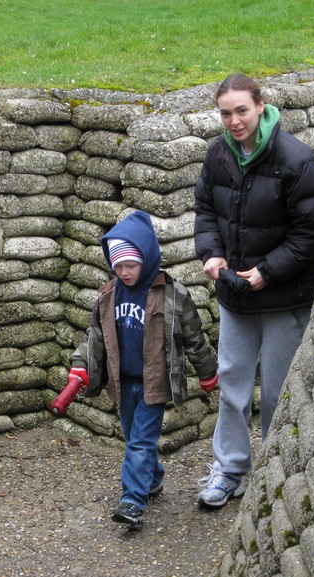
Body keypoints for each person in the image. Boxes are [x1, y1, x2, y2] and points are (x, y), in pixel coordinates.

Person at [193, 74, 314, 508]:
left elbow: (310, 234)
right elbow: (204, 210)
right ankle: (230, 469)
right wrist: (211, 254)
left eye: (241, 111)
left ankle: (274, 473)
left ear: (261, 106)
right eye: (225, 113)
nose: (233, 121)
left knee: (277, 391)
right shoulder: (218, 155)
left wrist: (266, 272)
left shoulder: (297, 161)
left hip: (283, 299)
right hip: (235, 296)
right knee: (232, 385)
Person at [65, 210, 219, 525]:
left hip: (155, 382)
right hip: (122, 382)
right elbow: (95, 335)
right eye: (118, 265)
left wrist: (207, 372)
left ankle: (133, 501)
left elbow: (193, 337)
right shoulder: (109, 294)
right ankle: (153, 479)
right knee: (132, 436)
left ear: (146, 258)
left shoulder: (172, 294)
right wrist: (81, 364)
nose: (124, 272)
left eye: (130, 265)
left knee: (139, 442)